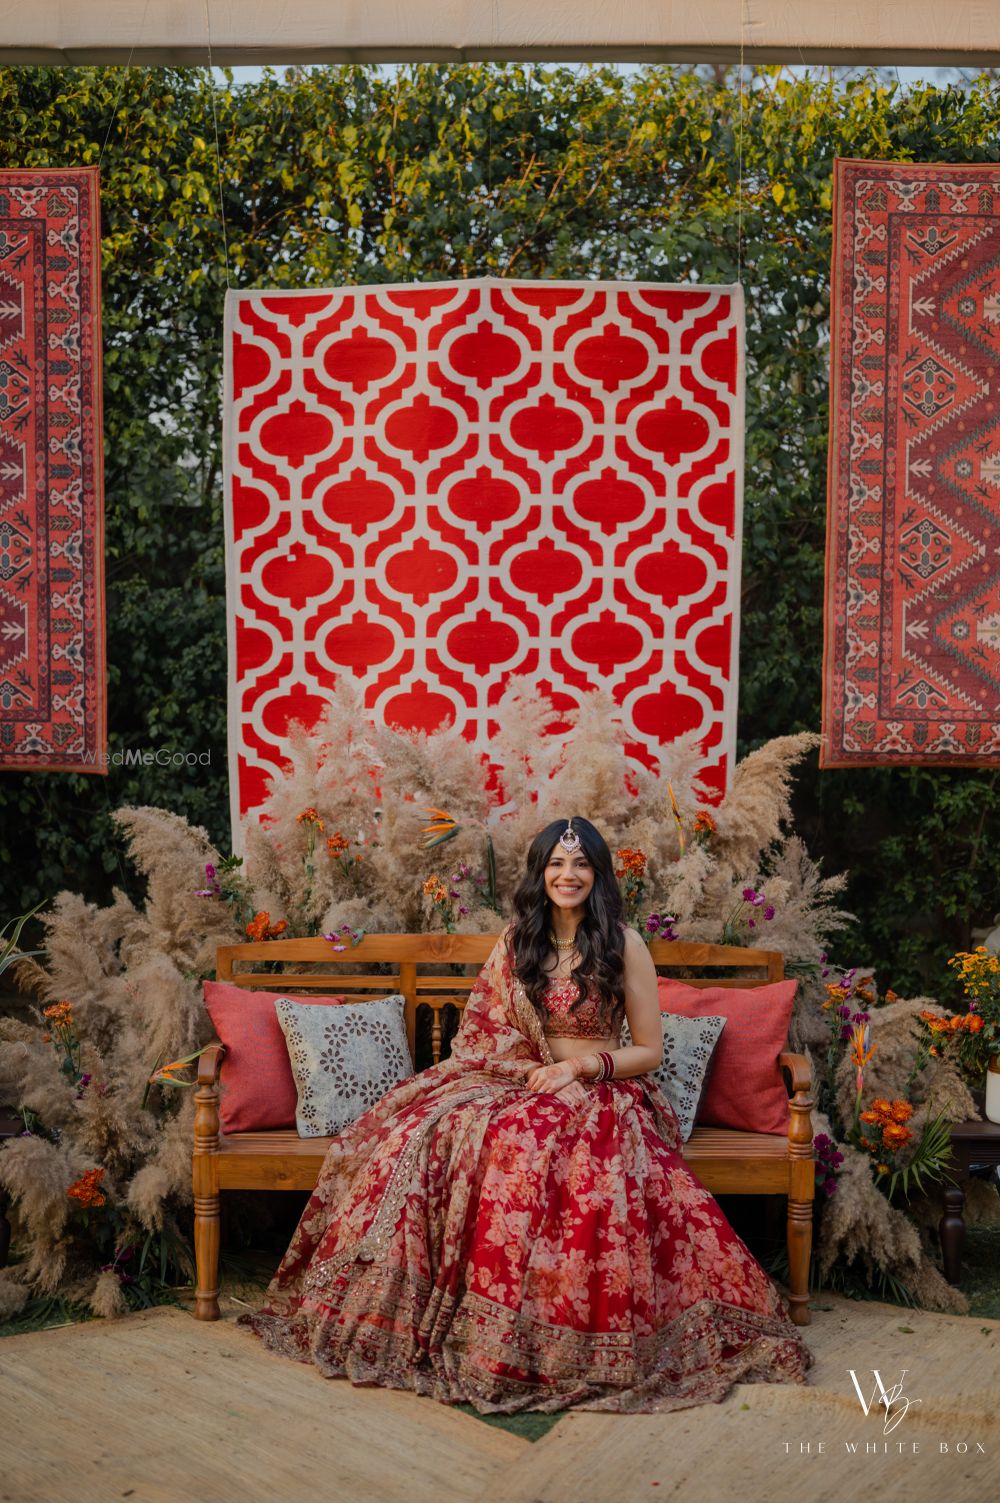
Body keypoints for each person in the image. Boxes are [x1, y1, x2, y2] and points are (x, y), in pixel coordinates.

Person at [242, 816, 812, 1413]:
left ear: (598, 874)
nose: (568, 876)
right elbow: (484, 1031)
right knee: (435, 1128)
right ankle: (421, 1314)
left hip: (606, 1090)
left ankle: (541, 1333)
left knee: (534, 1144)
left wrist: (579, 1070)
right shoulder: (518, 943)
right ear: (541, 874)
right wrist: (529, 1072)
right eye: (557, 864)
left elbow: (650, 1050)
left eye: (581, 864)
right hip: (518, 1075)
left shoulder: (623, 944)